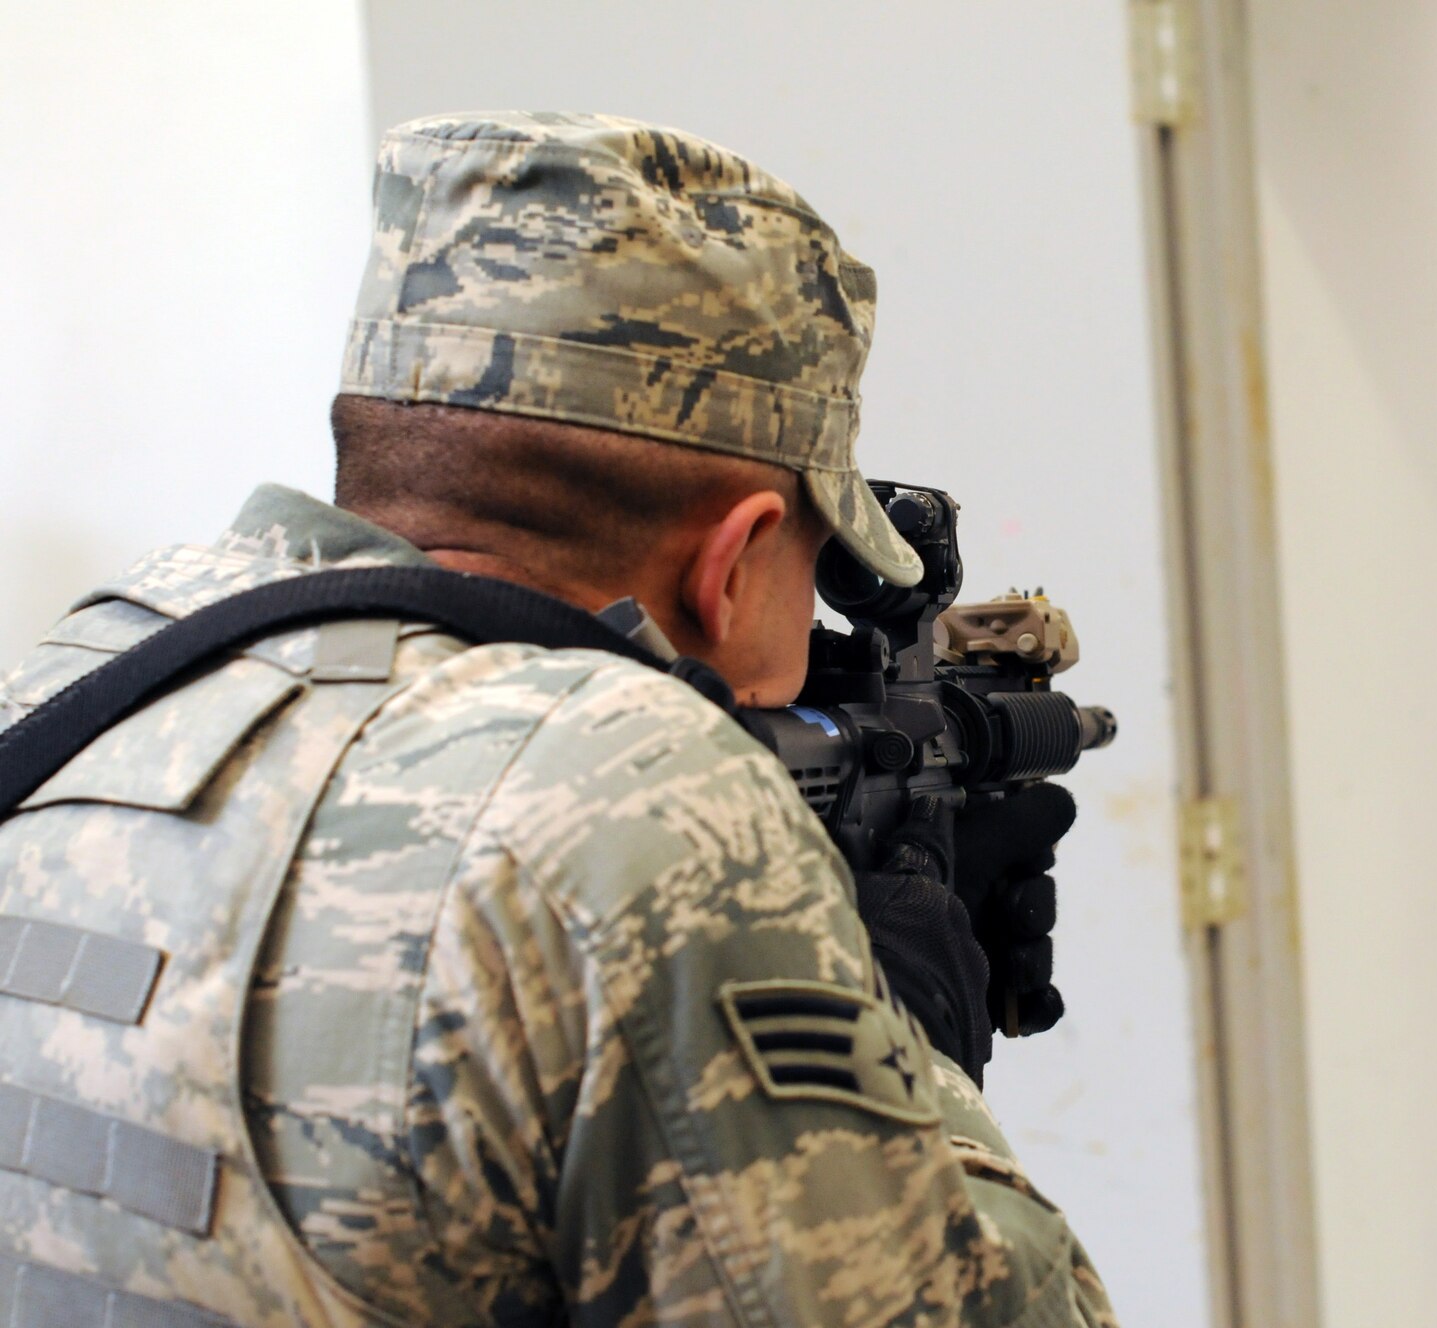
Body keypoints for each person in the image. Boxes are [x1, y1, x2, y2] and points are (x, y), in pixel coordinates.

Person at [0, 112, 1115, 1326]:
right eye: (813, 567)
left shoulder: (90, 668)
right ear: (734, 559)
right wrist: (915, 1050)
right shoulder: (632, 799)